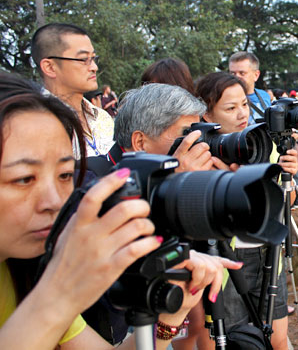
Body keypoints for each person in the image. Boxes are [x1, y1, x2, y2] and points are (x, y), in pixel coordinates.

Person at [0, 73, 237, 349]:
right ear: (140, 141)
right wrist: (57, 294)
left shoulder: (23, 271)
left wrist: (171, 316)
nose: (53, 201)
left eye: (64, 175)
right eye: (24, 178)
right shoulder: (96, 187)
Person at [195, 71, 298, 350]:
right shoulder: (198, 156)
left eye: (244, 103)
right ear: (207, 114)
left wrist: (288, 177)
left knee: (276, 339)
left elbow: (285, 207)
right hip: (225, 261)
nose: (242, 113)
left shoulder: (267, 143)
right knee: (231, 341)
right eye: (230, 108)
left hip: (268, 253)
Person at [31, 23, 114, 157]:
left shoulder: (102, 118)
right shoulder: (34, 124)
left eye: (93, 58)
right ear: (50, 67)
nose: (94, 67)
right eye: (83, 59)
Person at [228, 52, 271, 124]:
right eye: (233, 73)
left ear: (256, 75)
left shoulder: (264, 96)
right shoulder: (225, 99)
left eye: (242, 73)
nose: (236, 77)